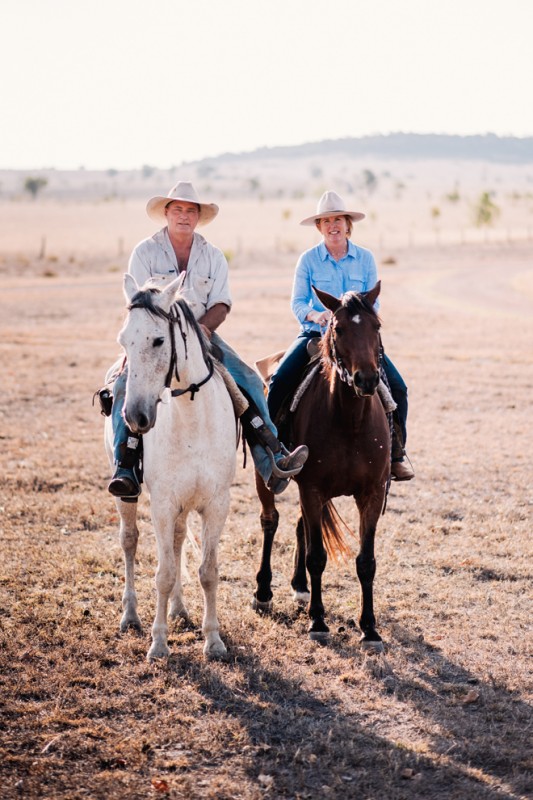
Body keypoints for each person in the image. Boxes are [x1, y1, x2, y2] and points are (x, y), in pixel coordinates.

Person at [106, 182, 308, 499]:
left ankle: (272, 460)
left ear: (198, 217)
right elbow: (137, 306)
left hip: (201, 334)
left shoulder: (212, 255)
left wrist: (203, 329)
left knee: (250, 382)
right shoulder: (144, 252)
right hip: (154, 339)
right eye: (178, 210)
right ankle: (126, 466)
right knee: (120, 386)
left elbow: (221, 303)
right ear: (167, 213)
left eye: (190, 211)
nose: (184, 216)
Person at [267, 190, 414, 481]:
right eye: (326, 221)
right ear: (319, 227)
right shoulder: (308, 260)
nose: (333, 225)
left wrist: (361, 324)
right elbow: (297, 302)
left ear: (348, 225)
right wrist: (315, 315)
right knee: (280, 381)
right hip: (315, 335)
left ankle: (396, 455)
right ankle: (275, 451)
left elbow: (374, 304)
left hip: (358, 340)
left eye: (339, 219)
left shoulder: (365, 258)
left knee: (398, 388)